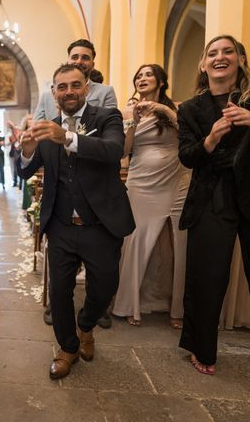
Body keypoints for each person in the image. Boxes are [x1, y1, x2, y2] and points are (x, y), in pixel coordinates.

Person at [18, 63, 134, 380]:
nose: (68, 91)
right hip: (61, 226)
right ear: (54, 93)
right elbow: (25, 170)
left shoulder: (106, 117)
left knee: (105, 287)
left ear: (86, 88)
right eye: (61, 86)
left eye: (74, 85)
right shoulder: (47, 127)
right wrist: (27, 150)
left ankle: (86, 324)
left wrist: (66, 137)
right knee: (59, 293)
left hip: (100, 224)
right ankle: (68, 348)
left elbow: (113, 151)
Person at [177, 34, 250, 375]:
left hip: (248, 190)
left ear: (240, 60)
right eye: (212, 53)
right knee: (207, 276)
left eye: (228, 51)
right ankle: (201, 347)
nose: (220, 57)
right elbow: (187, 156)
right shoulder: (191, 109)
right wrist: (210, 140)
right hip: (211, 195)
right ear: (203, 65)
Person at [112, 64, 190, 328]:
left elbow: (190, 136)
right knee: (137, 239)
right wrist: (133, 120)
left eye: (148, 74)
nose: (142, 78)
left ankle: (176, 306)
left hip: (175, 178)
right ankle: (132, 303)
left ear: (160, 81)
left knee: (176, 242)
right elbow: (123, 150)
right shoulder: (127, 110)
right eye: (138, 75)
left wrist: (164, 111)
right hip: (141, 180)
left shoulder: (176, 107)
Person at [34, 39, 117, 121]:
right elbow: (36, 129)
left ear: (92, 65)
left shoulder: (106, 92)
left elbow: (110, 124)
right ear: (68, 61)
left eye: (85, 58)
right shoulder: (47, 96)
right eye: (74, 57)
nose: (79, 61)